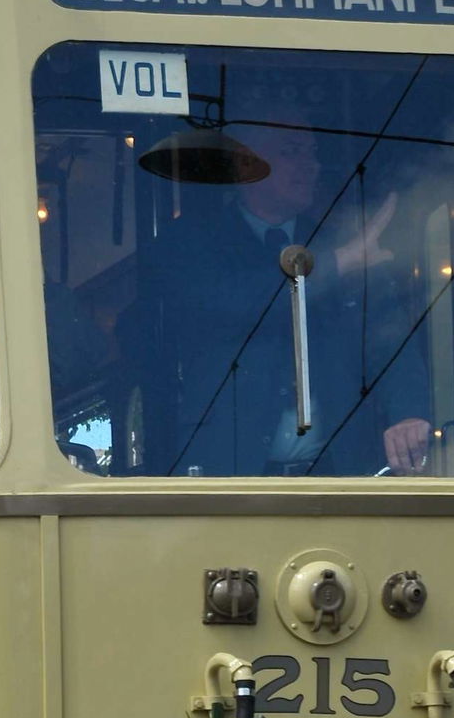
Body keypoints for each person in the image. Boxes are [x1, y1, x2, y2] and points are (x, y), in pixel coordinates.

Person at [146, 121, 432, 476]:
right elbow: (233, 303)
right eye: (291, 151)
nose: (310, 165)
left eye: (311, 152)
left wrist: (408, 412)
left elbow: (390, 337)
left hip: (339, 473)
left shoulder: (337, 239)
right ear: (244, 165)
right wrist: (338, 263)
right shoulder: (192, 241)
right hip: (227, 476)